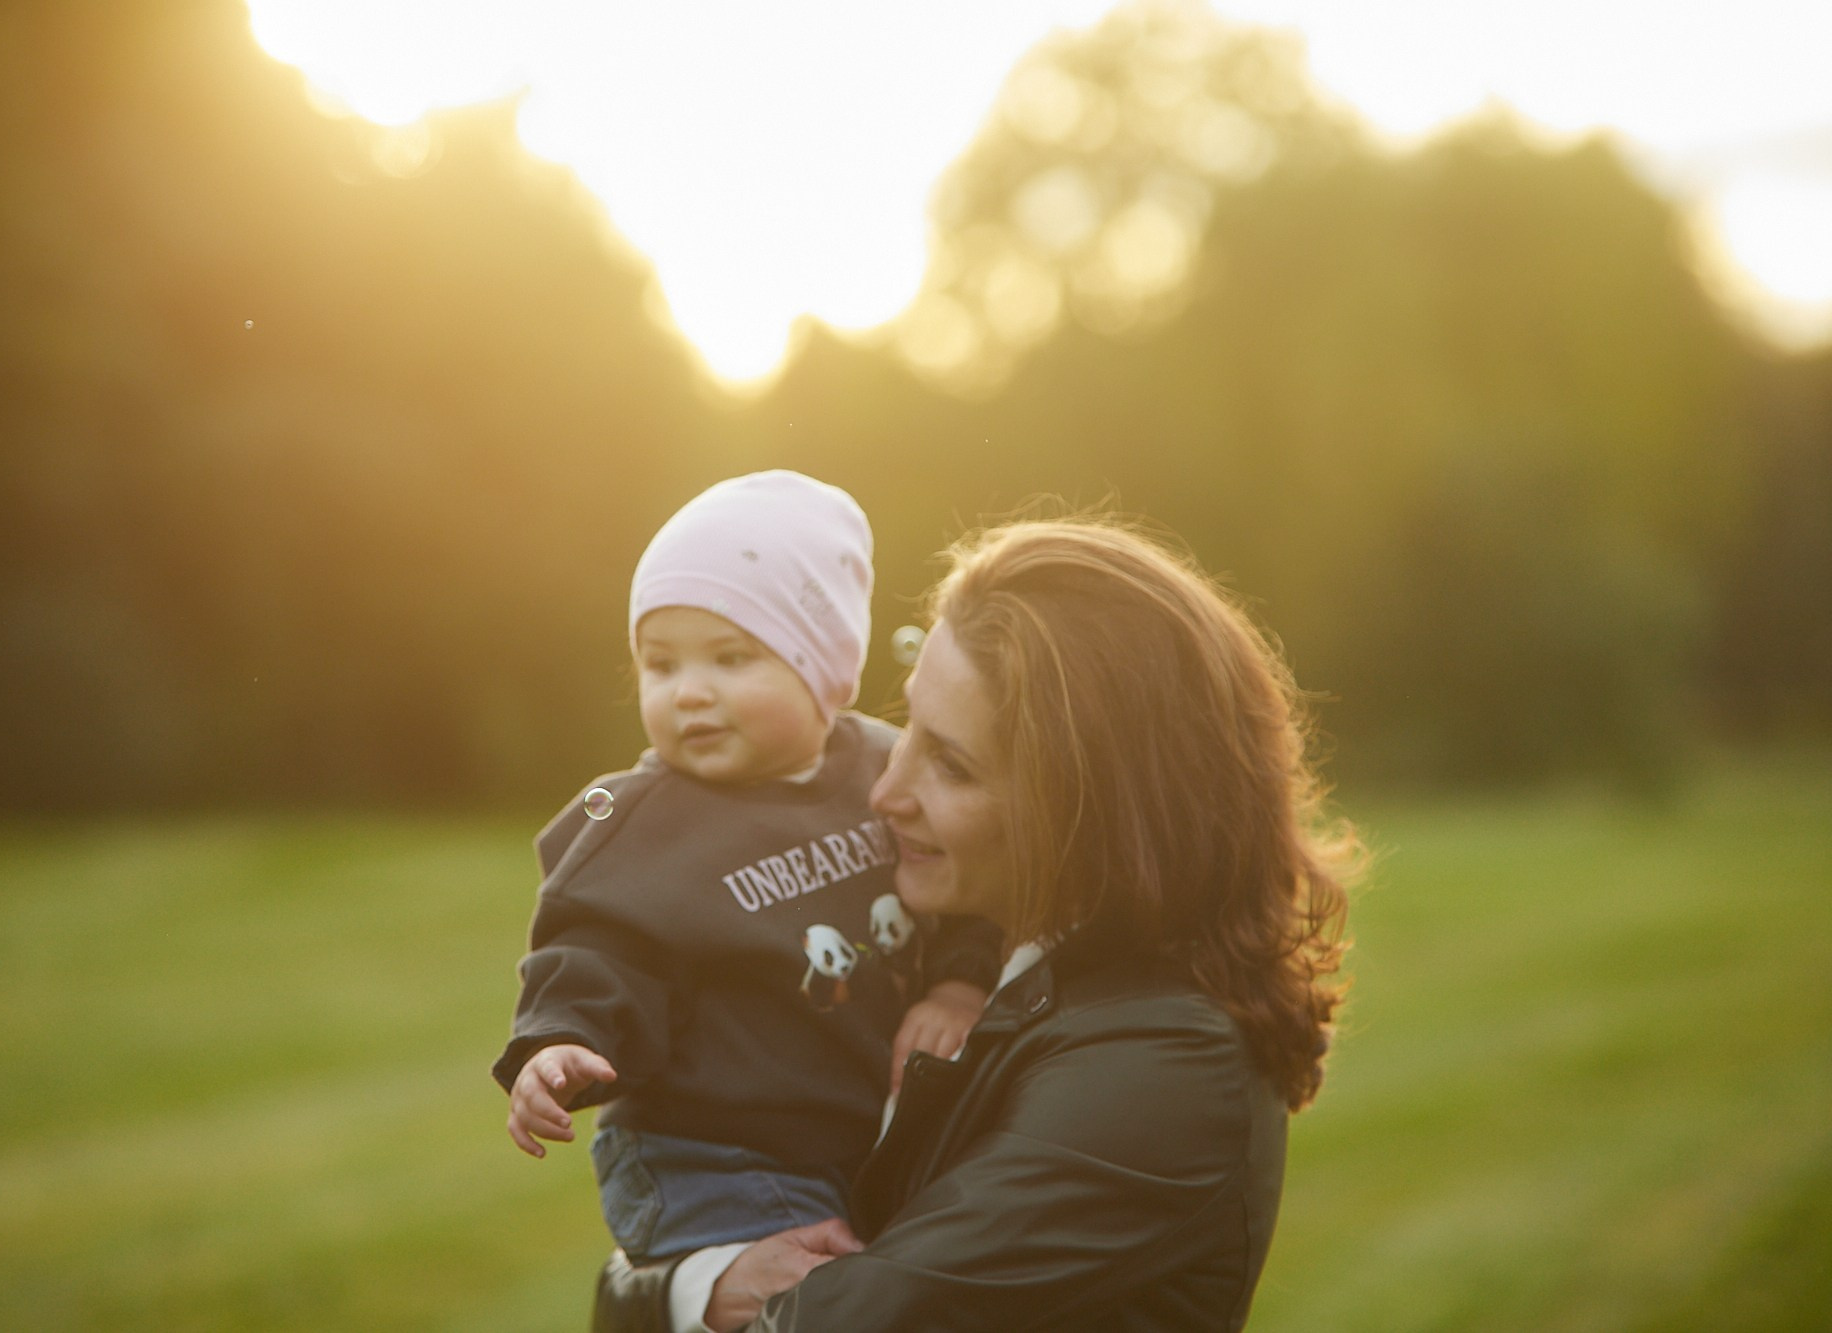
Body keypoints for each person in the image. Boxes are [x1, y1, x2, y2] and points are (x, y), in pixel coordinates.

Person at [594, 516, 1361, 1331]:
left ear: (1092, 808)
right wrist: (697, 1283)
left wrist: (670, 1293)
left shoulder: (1163, 1062)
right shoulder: (976, 964)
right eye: (907, 725)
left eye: (951, 763)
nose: (887, 792)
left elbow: (851, 1317)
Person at [492, 471, 1002, 1267]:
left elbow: (968, 888)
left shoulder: (881, 768)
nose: (690, 692)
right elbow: (595, 951)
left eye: (731, 658)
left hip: (850, 1136)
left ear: (822, 668)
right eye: (661, 665)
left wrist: (959, 983)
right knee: (825, 1296)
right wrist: (560, 1041)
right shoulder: (648, 825)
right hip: (710, 1156)